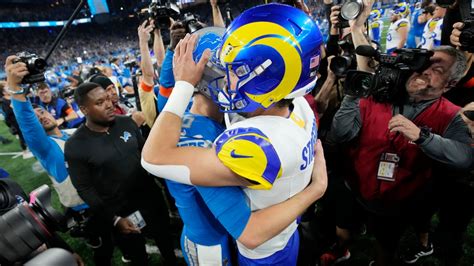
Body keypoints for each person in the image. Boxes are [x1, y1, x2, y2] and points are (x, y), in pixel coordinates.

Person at [142, 4, 324, 265]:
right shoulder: (300, 105)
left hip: (262, 245)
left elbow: (153, 157)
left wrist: (183, 84)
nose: (228, 79)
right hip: (267, 232)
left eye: (236, 70)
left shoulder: (253, 142)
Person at [331, 44, 472, 265]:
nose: (425, 70)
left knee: (385, 247)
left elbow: (465, 158)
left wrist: (423, 137)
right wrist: (352, 96)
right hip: (355, 188)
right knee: (343, 231)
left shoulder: (452, 115)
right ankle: (341, 251)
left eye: (438, 70)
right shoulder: (377, 95)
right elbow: (340, 133)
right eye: (425, 63)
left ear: (450, 84)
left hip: (397, 203)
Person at [64, 82, 177, 266]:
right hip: (121, 211)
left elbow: (147, 157)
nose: (108, 104)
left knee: (165, 241)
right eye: (100, 102)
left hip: (151, 199)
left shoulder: (126, 122)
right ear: (84, 109)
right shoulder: (75, 145)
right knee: (138, 256)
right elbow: (84, 188)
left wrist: (168, 188)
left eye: (108, 99)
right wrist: (114, 218)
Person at [4, 55, 87, 212]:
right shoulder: (44, 147)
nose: (41, 117)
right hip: (85, 208)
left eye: (42, 112)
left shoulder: (72, 133)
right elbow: (28, 122)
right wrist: (15, 88)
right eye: (36, 118)